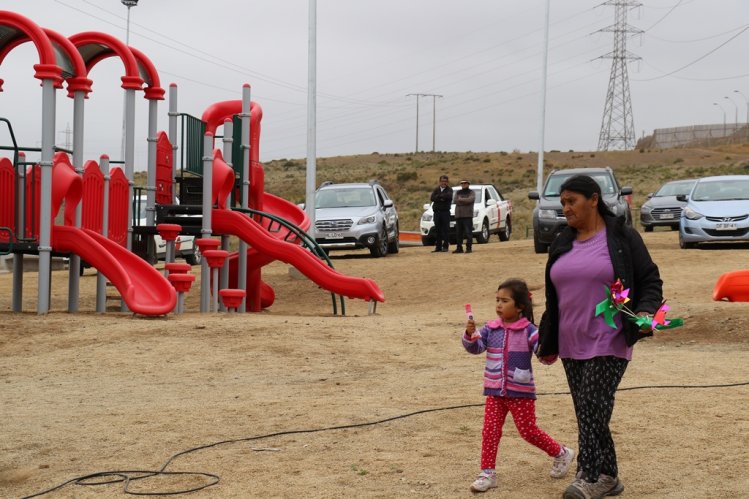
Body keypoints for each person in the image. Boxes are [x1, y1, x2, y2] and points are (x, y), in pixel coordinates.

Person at [536, 175, 663, 499]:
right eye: (563, 203)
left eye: (571, 201)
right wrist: (546, 335)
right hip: (570, 341)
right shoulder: (563, 239)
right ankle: (611, 476)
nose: (566, 208)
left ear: (593, 199)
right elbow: (555, 294)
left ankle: (590, 476)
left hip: (611, 336)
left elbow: (649, 279)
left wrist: (646, 312)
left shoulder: (622, 237)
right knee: (587, 409)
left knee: (592, 403)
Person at [462, 278, 575, 493]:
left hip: (520, 392)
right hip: (495, 391)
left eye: (505, 301)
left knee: (528, 431)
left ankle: (561, 453)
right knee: (490, 431)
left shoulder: (529, 331)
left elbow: (545, 357)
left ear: (520, 306)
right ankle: (487, 473)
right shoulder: (490, 329)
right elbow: (476, 348)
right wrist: (469, 335)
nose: (499, 305)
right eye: (497, 300)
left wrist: (552, 344)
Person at [430, 174, 453, 252]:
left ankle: (445, 246)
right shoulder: (436, 189)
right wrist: (441, 197)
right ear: (440, 182)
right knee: (438, 230)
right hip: (437, 213)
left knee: (446, 230)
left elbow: (449, 197)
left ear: (447, 182)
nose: (444, 183)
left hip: (445, 213)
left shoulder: (450, 190)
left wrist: (438, 197)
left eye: (445, 181)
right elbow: (432, 198)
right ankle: (438, 247)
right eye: (442, 181)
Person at [453, 180, 475, 253]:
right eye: (462, 183)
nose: (463, 184)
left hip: (467, 215)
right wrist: (464, 201)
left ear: (468, 184)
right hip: (459, 216)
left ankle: (469, 248)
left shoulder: (471, 192)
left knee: (468, 233)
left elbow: (470, 200)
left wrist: (461, 200)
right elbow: (455, 200)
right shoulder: (458, 192)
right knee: (458, 233)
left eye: (465, 183)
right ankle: (459, 248)